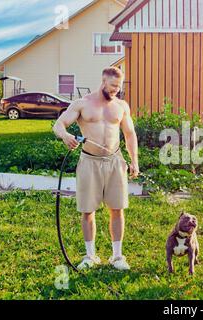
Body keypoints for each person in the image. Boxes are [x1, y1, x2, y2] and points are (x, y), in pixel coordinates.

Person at [53, 67, 139, 271]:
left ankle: (117, 257)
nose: (115, 91)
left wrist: (134, 160)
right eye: (112, 87)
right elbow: (59, 124)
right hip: (89, 162)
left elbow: (130, 134)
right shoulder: (82, 104)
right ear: (102, 82)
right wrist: (66, 136)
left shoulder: (121, 106)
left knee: (117, 209)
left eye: (118, 87)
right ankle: (90, 256)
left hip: (115, 161)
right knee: (87, 210)